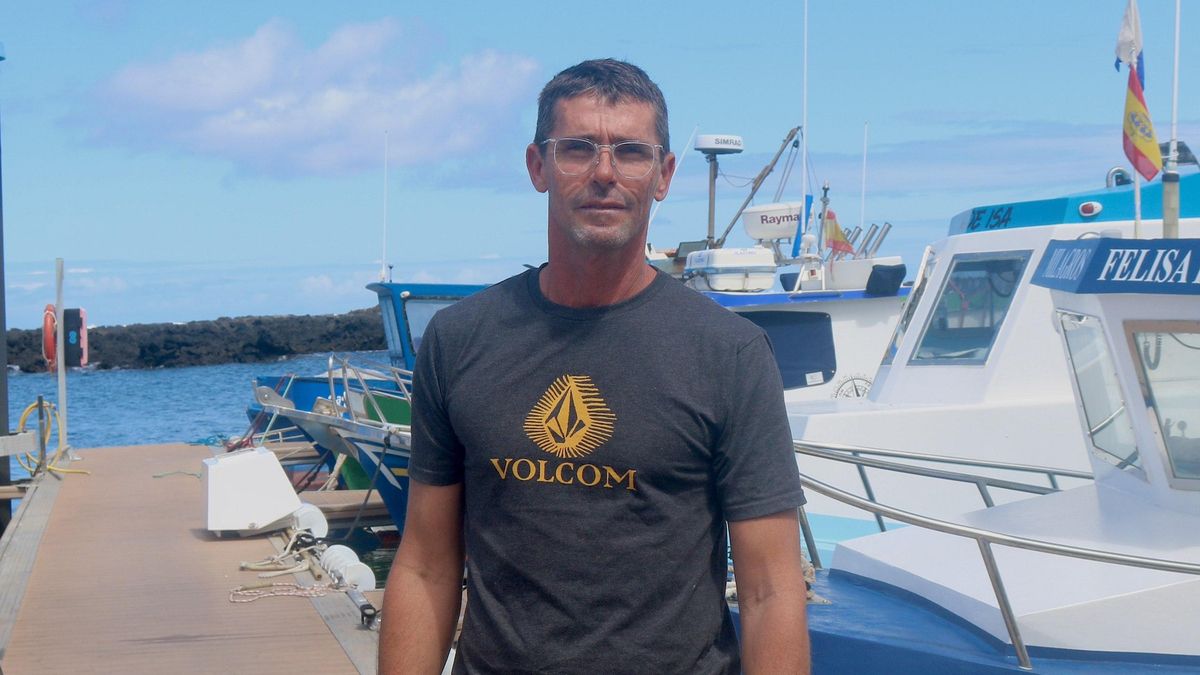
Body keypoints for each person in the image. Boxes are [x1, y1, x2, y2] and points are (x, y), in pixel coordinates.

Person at [379, 58, 810, 674]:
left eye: (631, 152)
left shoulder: (729, 353)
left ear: (663, 176)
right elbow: (425, 566)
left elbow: (770, 590)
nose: (604, 173)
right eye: (578, 149)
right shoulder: (458, 339)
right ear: (538, 166)